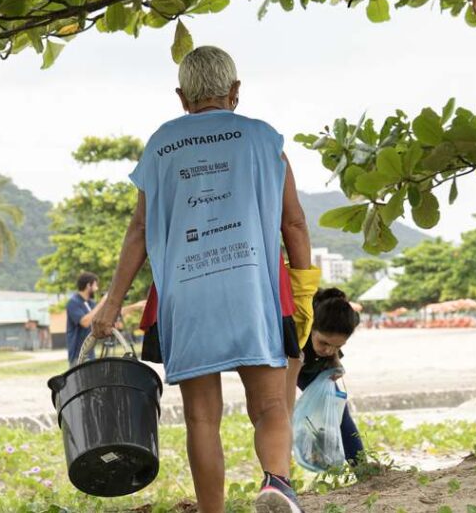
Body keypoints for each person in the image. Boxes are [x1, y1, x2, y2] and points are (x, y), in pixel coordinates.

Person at [92, 45, 313, 513]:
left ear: (181, 96)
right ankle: (276, 483)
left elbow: (138, 230)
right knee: (270, 406)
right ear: (235, 92)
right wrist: (305, 285)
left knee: (202, 418)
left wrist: (112, 303)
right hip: (255, 290)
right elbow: (292, 224)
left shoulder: (161, 145)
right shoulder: (264, 139)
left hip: (186, 295)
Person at [298, 288, 364, 467]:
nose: (328, 350)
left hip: (312, 365)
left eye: (336, 346)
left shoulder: (331, 336)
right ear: (311, 327)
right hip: (290, 361)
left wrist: (335, 361)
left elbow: (331, 349)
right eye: (324, 343)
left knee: (339, 411)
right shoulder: (296, 333)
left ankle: (361, 467)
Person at [65, 272, 146, 365]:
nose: (97, 289)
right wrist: (102, 302)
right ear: (88, 285)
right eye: (95, 285)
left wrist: (135, 306)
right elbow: (85, 322)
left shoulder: (91, 303)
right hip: (77, 355)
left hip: (90, 354)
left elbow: (109, 314)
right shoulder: (73, 302)